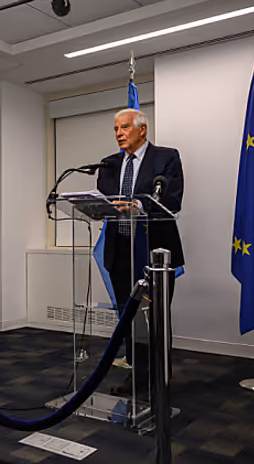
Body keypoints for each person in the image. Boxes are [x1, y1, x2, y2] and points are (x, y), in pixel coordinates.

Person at [96, 108, 184, 396]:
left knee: (155, 316)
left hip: (154, 251)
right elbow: (103, 200)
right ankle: (138, 374)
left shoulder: (166, 158)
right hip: (119, 250)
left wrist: (140, 206)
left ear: (142, 129)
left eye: (124, 127)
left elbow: (173, 199)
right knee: (129, 317)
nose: (118, 133)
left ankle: (159, 375)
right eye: (115, 129)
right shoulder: (109, 164)